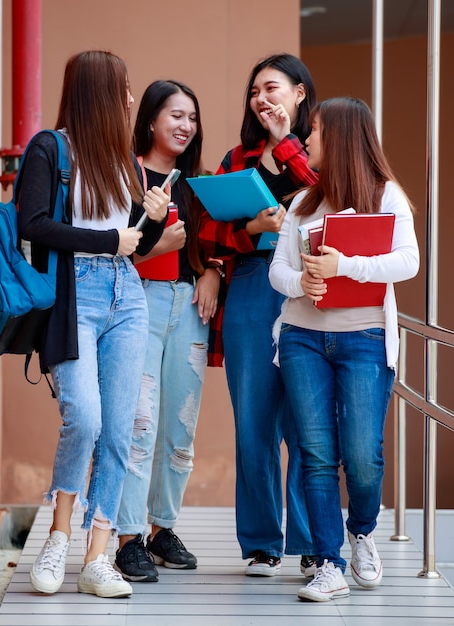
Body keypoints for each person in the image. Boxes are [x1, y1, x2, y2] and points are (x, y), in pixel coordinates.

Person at [18, 51, 170, 598]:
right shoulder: (50, 148)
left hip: (126, 295)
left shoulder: (124, 163)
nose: (131, 99)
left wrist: (149, 221)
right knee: (83, 416)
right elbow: (32, 224)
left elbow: (136, 249)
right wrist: (112, 241)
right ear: (100, 93)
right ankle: (59, 535)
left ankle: (97, 555)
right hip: (74, 293)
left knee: (121, 425)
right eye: (124, 89)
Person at [269, 96, 420, 601]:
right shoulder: (302, 203)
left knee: (362, 457)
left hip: (365, 339)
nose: (306, 140)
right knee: (314, 454)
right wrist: (302, 285)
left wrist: (345, 267)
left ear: (342, 137)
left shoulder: (387, 197)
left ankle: (360, 530)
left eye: (313, 131)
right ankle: (328, 563)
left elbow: (408, 262)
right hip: (302, 338)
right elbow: (278, 272)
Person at [198, 53, 317, 577]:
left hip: (305, 286)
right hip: (250, 283)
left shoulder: (319, 146)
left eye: (271, 88)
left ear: (299, 94)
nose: (261, 99)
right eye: (254, 91)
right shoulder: (236, 158)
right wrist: (249, 229)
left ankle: (315, 542)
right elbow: (210, 231)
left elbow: (325, 194)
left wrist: (286, 144)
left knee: (308, 420)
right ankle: (262, 543)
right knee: (253, 419)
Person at [114, 80, 221, 582]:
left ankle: (162, 529)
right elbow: (114, 251)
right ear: (152, 119)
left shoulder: (197, 183)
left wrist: (212, 271)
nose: (185, 126)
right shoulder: (126, 176)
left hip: (190, 307)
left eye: (192, 118)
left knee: (180, 426)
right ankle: (127, 536)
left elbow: (221, 242)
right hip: (139, 303)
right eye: (176, 115)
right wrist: (157, 246)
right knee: (139, 424)